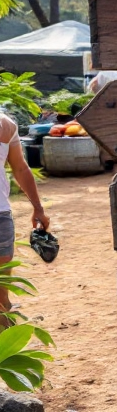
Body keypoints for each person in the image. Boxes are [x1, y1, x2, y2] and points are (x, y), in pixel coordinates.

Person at [0, 112, 48, 312]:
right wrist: (38, 208)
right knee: (1, 284)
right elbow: (19, 168)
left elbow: (20, 169)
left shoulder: (6, 124)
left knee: (2, 288)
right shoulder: (5, 124)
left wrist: (38, 207)